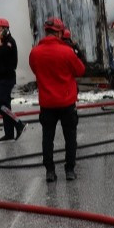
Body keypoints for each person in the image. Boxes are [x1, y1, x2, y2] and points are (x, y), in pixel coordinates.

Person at [28, 17, 85, 182]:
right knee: (70, 137)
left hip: (47, 104)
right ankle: (69, 170)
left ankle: (50, 172)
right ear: (60, 32)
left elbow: (34, 69)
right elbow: (80, 70)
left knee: (47, 138)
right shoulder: (67, 52)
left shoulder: (35, 53)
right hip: (67, 103)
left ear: (46, 32)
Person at [0, 18, 24, 141]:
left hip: (7, 79)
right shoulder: (4, 42)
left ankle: (18, 123)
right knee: (5, 106)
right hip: (2, 78)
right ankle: (9, 134)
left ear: (4, 30)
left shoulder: (9, 42)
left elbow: (0, 53)